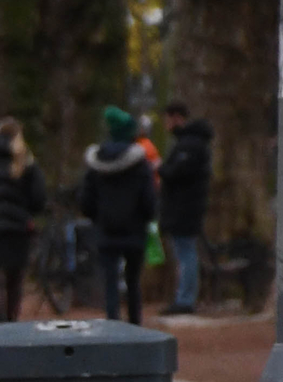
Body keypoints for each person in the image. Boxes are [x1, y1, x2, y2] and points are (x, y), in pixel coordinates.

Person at [79, 105, 158, 324]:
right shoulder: (141, 164)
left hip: (106, 230)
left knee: (110, 282)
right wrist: (147, 218)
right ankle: (135, 324)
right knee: (133, 282)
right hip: (134, 231)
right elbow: (149, 199)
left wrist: (97, 218)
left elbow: (86, 200)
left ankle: (113, 322)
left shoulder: (96, 164)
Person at [0, 117, 47, 323]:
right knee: (15, 282)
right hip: (18, 230)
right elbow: (38, 199)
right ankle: (12, 322)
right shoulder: (26, 163)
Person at [157, 101, 213, 313]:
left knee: (186, 253)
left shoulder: (189, 146)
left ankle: (185, 299)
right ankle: (184, 296)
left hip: (184, 208)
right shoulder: (191, 144)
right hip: (184, 207)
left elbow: (176, 172)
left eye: (168, 119)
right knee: (185, 252)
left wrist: (161, 169)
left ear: (176, 118)